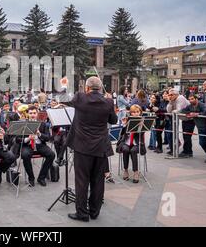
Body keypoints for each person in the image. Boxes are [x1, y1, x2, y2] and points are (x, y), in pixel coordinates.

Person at [66, 76, 118, 222]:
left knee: (82, 181)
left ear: (87, 88)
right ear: (100, 88)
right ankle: (94, 212)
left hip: (82, 147)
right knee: (98, 180)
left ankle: (82, 213)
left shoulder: (80, 98)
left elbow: (67, 99)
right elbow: (113, 120)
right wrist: (109, 103)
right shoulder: (108, 101)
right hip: (100, 147)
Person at [18, 106, 55, 187]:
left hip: (39, 145)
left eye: (34, 113)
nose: (32, 115)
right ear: (27, 114)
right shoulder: (23, 123)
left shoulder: (42, 123)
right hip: (27, 145)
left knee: (51, 154)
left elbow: (48, 137)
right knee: (25, 155)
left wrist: (39, 134)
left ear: (37, 113)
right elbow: (18, 139)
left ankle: (41, 177)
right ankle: (31, 178)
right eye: (30, 113)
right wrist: (28, 138)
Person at [116, 105, 146, 183]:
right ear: (130, 113)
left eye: (137, 112)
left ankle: (136, 172)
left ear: (140, 112)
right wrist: (124, 125)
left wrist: (141, 127)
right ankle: (126, 170)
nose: (135, 114)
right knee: (125, 149)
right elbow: (122, 134)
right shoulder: (127, 120)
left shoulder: (142, 121)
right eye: (133, 112)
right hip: (126, 142)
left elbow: (141, 135)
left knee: (133, 150)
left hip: (137, 143)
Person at [180, 94, 206, 162]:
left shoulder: (201, 104)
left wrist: (197, 114)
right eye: (189, 99)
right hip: (200, 127)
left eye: (192, 99)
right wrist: (190, 113)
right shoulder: (190, 106)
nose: (190, 101)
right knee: (202, 142)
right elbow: (182, 111)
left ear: (196, 99)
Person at [167, 88, 190, 156]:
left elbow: (179, 110)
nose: (170, 96)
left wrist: (173, 111)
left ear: (176, 94)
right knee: (184, 135)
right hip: (184, 119)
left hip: (189, 119)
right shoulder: (172, 100)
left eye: (171, 95)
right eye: (169, 95)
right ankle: (185, 151)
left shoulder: (180, 98)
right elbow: (168, 111)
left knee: (187, 136)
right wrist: (170, 102)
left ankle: (187, 152)